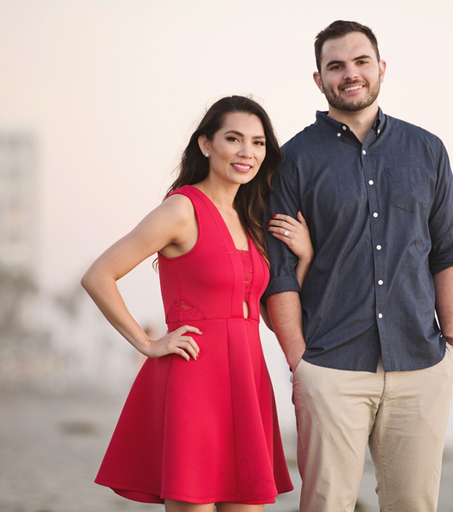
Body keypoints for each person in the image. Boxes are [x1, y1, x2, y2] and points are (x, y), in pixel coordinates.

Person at [264, 21, 453, 512]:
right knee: (326, 504)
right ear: (319, 79)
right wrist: (299, 363)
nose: (349, 74)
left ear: (381, 68)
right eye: (336, 66)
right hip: (330, 364)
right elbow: (279, 272)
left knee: (413, 504)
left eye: (360, 62)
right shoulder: (291, 161)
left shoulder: (427, 151)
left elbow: (448, 253)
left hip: (421, 362)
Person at [82, 96, 311, 511]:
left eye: (258, 143)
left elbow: (270, 316)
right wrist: (148, 344)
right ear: (206, 144)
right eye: (234, 138)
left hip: (248, 378)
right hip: (194, 380)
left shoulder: (251, 218)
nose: (247, 152)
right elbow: (98, 275)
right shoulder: (181, 209)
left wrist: (305, 258)